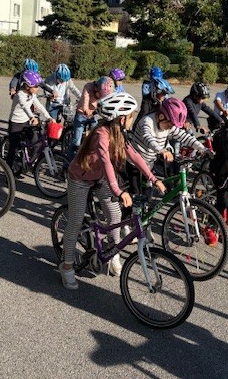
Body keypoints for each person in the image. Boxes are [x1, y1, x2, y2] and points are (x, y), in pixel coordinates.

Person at [58, 92, 167, 290]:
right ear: (121, 118)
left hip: (99, 177)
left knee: (115, 215)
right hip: (80, 178)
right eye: (131, 116)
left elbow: (134, 155)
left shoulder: (119, 133)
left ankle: (112, 252)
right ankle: (66, 267)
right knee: (75, 222)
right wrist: (118, 191)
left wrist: (153, 178)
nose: (133, 119)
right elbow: (106, 163)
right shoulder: (101, 135)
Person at [128, 97, 208, 193]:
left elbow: (184, 137)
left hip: (150, 164)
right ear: (161, 116)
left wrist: (203, 148)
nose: (171, 128)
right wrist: (162, 150)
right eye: (170, 124)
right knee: (136, 195)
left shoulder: (168, 123)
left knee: (148, 192)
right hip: (135, 164)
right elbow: (147, 138)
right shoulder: (147, 121)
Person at [6, 70, 53, 176]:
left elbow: (40, 106)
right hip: (15, 124)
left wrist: (49, 117)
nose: (37, 88)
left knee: (37, 143)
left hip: (26, 122)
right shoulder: (20, 95)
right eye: (35, 86)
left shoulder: (32, 94)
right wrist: (32, 117)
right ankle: (8, 173)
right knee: (13, 149)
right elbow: (25, 107)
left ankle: (30, 164)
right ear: (27, 86)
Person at [67, 76, 114, 161]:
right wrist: (86, 110)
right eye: (100, 94)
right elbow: (85, 99)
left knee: (95, 137)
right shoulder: (88, 87)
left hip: (94, 114)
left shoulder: (106, 92)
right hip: (82, 113)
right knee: (76, 141)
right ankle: (69, 162)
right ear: (96, 88)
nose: (100, 97)